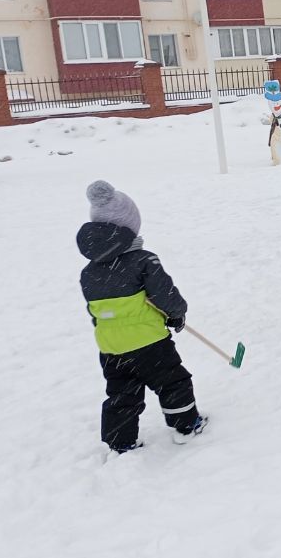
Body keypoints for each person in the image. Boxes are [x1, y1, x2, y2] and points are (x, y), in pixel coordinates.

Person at [76, 180, 206, 454]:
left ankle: (120, 443)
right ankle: (186, 424)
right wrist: (177, 314)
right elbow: (165, 294)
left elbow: (95, 312)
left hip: (111, 347)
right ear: (129, 227)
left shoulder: (88, 272)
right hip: (150, 343)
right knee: (173, 382)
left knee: (122, 393)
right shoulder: (144, 261)